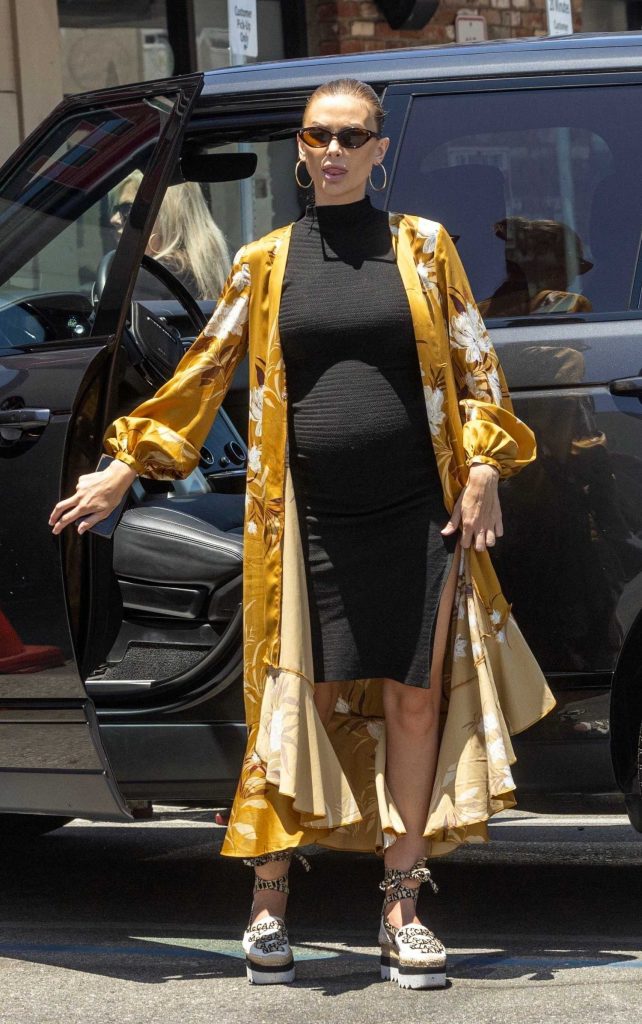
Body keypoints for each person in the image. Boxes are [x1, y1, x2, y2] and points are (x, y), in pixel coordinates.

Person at [49, 78, 555, 991]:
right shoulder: (266, 261)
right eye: (318, 135)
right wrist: (126, 465)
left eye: (352, 136)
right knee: (301, 706)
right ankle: (270, 901)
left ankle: (402, 905)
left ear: (377, 150)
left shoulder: (425, 249)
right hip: (304, 522)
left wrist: (483, 469)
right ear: (300, 147)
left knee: (412, 700)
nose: (333, 150)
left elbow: (479, 369)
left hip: (417, 518)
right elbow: (205, 371)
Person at [110, 171, 230, 299]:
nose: (113, 219)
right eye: (114, 209)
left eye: (128, 209)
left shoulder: (148, 280)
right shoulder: (216, 271)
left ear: (166, 215)